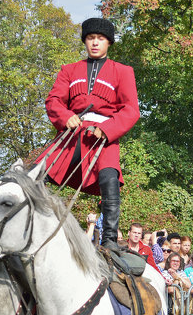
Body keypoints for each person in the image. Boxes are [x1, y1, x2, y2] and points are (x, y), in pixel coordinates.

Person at [40, 17, 140, 248]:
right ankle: (37, 225)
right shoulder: (68, 70)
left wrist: (106, 130)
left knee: (109, 178)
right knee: (37, 175)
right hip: (71, 134)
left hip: (103, 138)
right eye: (90, 38)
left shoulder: (123, 71)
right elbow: (54, 100)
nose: (95, 43)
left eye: (100, 38)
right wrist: (66, 117)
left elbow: (131, 110)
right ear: (85, 41)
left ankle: (110, 239)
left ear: (109, 43)